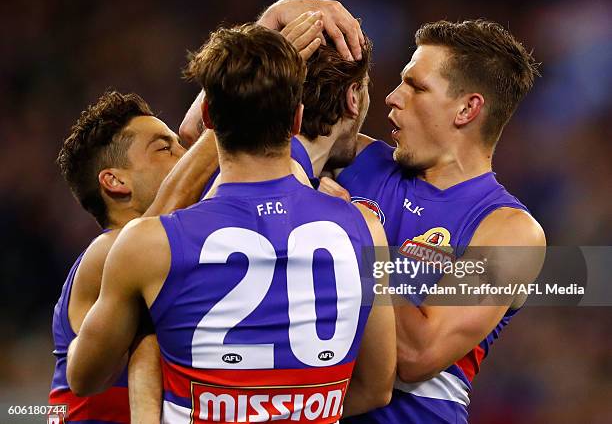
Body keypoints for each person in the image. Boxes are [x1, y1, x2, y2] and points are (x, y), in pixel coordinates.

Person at [66, 23, 395, 423]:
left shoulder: (150, 245)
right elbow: (377, 387)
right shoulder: (365, 230)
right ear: (296, 119)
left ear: (207, 116)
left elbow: (83, 378)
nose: (399, 97)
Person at [251, 0, 546, 423]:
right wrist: (268, 30)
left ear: (467, 109)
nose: (391, 97)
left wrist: (353, 231)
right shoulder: (356, 159)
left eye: (416, 87)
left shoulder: (508, 230)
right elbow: (218, 138)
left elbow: (416, 355)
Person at [51, 90, 219, 423]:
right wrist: (237, 114)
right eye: (164, 148)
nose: (184, 156)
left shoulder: (177, 251)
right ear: (115, 181)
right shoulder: (105, 252)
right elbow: (175, 199)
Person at [180, 10, 372, 194]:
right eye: (366, 86)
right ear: (352, 97)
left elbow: (191, 129)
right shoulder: (321, 203)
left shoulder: (227, 159)